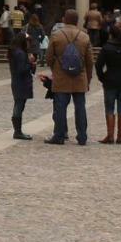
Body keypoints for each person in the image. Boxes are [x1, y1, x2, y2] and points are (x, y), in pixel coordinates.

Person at [42, 9, 93, 146]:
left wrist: (56, 69)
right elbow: (89, 62)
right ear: (77, 21)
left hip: (61, 76)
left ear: (64, 19)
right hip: (80, 77)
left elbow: (48, 57)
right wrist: (88, 78)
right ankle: (82, 137)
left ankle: (59, 136)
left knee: (60, 107)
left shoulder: (56, 35)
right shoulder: (84, 37)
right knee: (80, 107)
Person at [95, 24, 121, 144]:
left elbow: (98, 65)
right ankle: (120, 137)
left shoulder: (106, 48)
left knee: (109, 109)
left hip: (110, 80)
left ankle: (110, 136)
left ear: (111, 34)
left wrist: (102, 77)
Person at [8, 30, 35, 140]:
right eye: (27, 41)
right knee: (19, 105)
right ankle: (17, 131)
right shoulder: (20, 53)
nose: (29, 44)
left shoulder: (16, 51)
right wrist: (30, 63)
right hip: (21, 82)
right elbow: (22, 69)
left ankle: (17, 130)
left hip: (18, 82)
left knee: (19, 104)